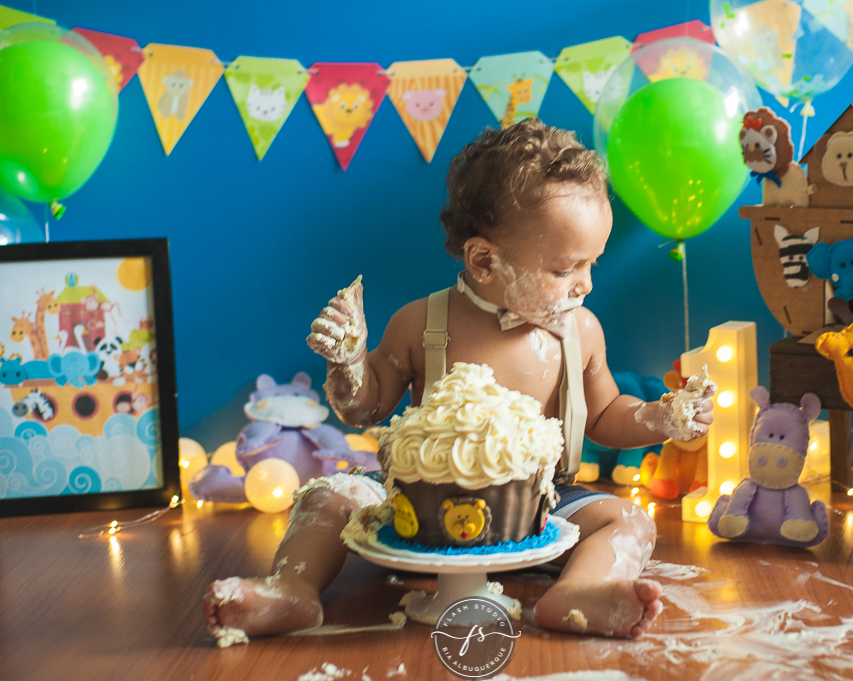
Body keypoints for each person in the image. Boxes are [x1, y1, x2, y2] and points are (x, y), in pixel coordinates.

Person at [203, 119, 714, 642]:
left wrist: (660, 415)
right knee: (328, 496)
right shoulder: (422, 323)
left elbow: (605, 414)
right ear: (485, 260)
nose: (585, 283)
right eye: (566, 269)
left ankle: (579, 592)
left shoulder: (581, 330)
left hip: (538, 507)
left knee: (628, 519)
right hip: (420, 511)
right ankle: (294, 591)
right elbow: (365, 408)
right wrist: (348, 362)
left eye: (592, 264)